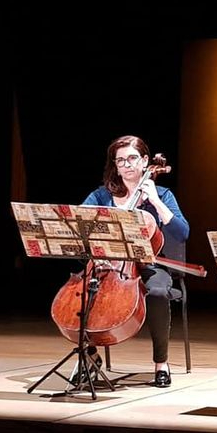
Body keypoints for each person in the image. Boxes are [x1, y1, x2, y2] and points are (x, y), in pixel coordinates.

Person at [82, 135, 190, 388]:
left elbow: (182, 233)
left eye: (132, 158)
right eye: (120, 161)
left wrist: (155, 200)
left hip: (152, 265)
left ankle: (161, 363)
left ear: (144, 161)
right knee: (84, 292)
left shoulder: (163, 193)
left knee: (158, 292)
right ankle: (89, 355)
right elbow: (80, 224)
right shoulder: (102, 195)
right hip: (109, 265)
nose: (126, 165)